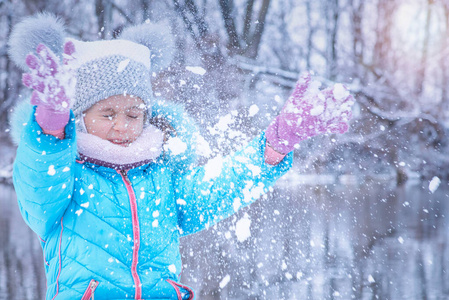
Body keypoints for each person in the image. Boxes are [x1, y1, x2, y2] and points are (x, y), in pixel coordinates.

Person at [8, 13, 354, 300]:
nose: (121, 126)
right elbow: (38, 189)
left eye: (133, 114)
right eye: (107, 114)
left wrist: (274, 144)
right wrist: (49, 131)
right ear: (82, 117)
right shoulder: (68, 172)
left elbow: (219, 188)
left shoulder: (161, 173)